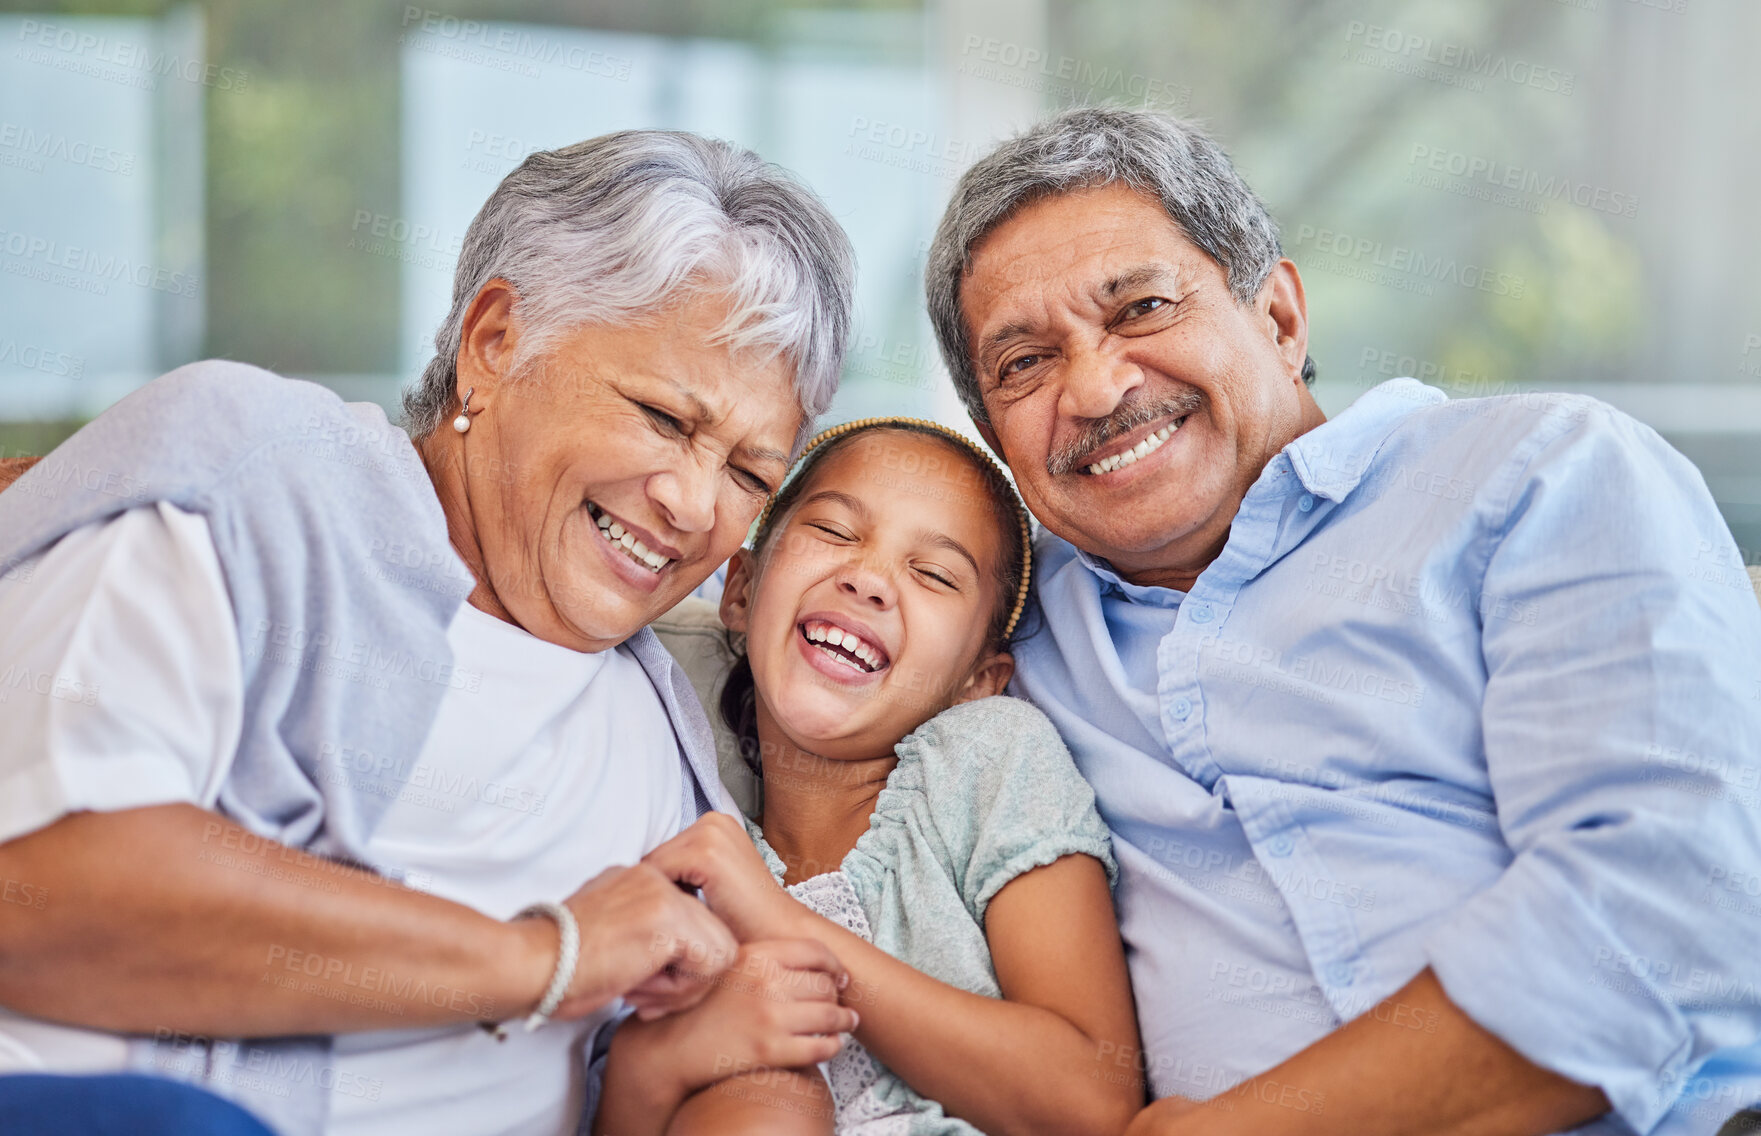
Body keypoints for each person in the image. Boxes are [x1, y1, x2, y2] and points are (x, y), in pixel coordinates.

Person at [921, 105, 1761, 1136]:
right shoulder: (991, 631)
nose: (1095, 388)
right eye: (1024, 364)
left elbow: (1671, 915)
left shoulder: (1545, 476)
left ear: (1278, 318)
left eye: (1139, 306)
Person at [0, 128, 857, 1135]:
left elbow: (705, 1050)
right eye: (664, 418)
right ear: (495, 343)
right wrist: (542, 957)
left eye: (750, 473)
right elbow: (44, 898)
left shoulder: (658, 736)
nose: (692, 502)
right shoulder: (257, 483)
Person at [607, 418, 1144, 1135]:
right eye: (832, 531)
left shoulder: (989, 763)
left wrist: (783, 922)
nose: (867, 580)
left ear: (976, 681)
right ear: (739, 589)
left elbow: (1092, 1102)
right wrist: (651, 1066)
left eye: (933, 574)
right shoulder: (672, 780)